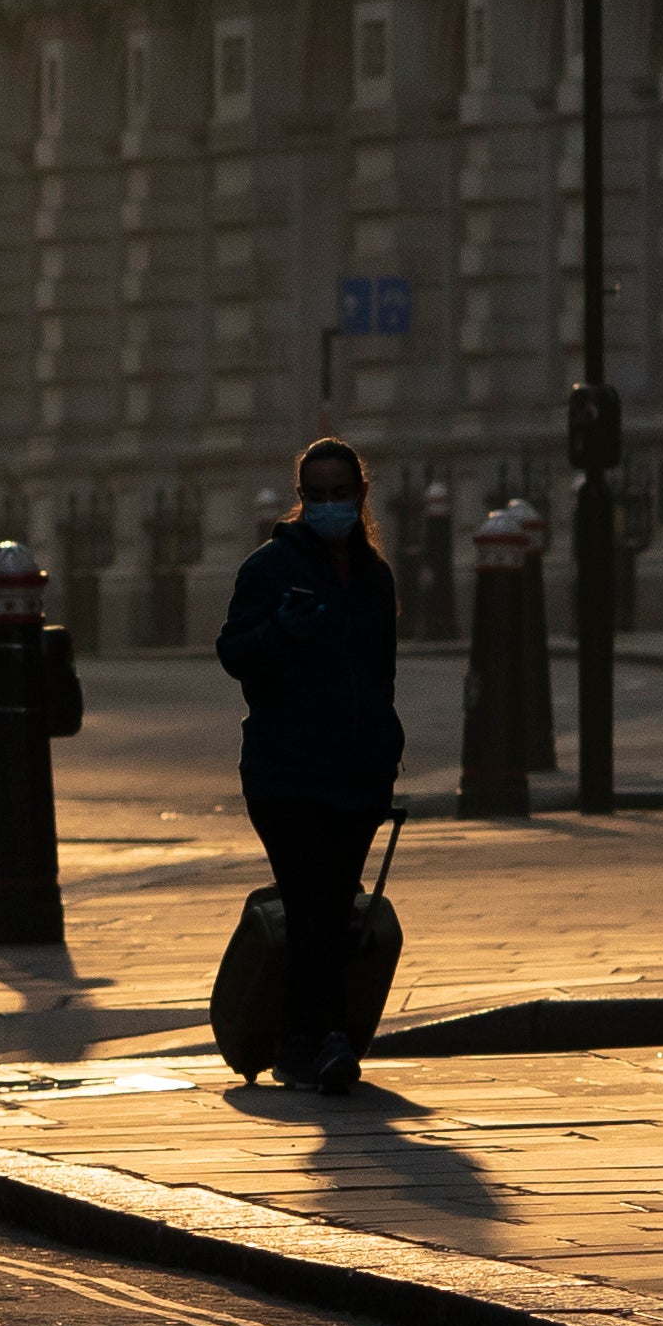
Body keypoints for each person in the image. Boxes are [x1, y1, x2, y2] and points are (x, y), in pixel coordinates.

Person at [213, 432, 408, 1086]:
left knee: (329, 905)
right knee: (311, 903)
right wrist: (279, 632)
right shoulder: (270, 568)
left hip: (354, 775)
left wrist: (386, 753)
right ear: (302, 499)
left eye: (341, 494)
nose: (330, 505)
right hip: (287, 773)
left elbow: (380, 676)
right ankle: (317, 1040)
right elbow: (237, 652)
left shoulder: (374, 578)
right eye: (317, 495)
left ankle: (310, 1039)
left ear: (359, 495)